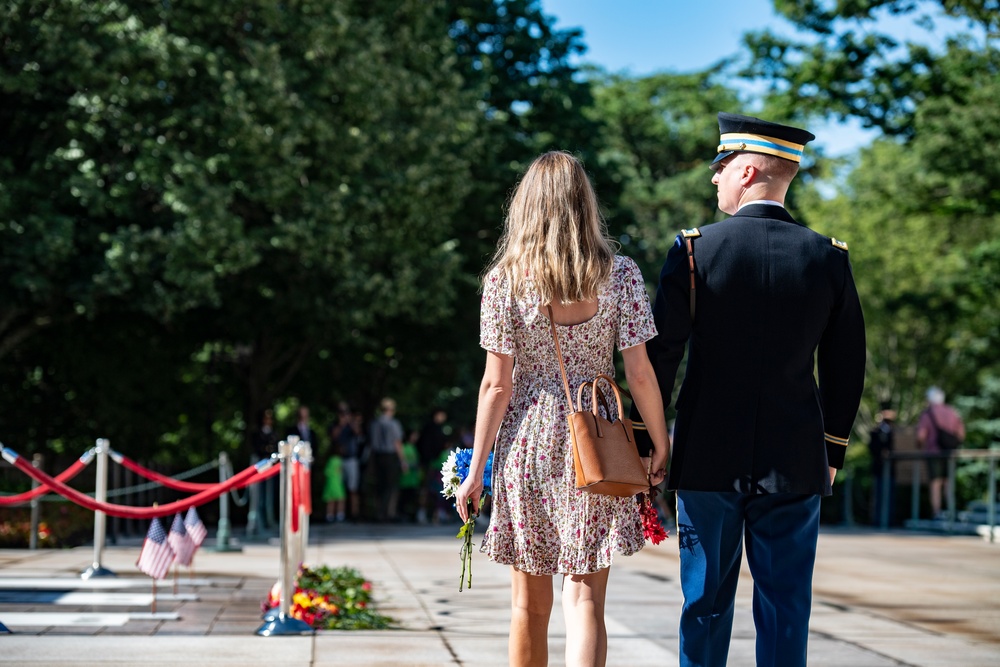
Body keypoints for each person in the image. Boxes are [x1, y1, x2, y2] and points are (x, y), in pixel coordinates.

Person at [633, 113, 866, 667]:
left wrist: (648, 443)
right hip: (796, 459)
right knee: (786, 605)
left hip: (708, 458)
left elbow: (659, 356)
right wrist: (831, 450)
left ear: (747, 170)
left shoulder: (695, 251)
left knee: (705, 604)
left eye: (720, 168)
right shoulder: (827, 258)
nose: (714, 179)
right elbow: (847, 363)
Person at [455, 151, 670, 667]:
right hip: (595, 441)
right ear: (585, 203)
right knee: (587, 599)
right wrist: (659, 441)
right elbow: (639, 372)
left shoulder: (505, 280)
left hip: (527, 440)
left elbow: (495, 384)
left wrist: (477, 470)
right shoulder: (621, 274)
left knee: (528, 606)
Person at [917, 386, 965, 519]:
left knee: (935, 483)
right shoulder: (952, 412)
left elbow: (921, 436)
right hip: (950, 453)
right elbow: (961, 434)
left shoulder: (927, 414)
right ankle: (950, 510)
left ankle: (937, 512)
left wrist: (920, 446)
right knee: (948, 483)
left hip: (933, 453)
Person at [369, 397, 408, 523]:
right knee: (391, 486)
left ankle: (378, 512)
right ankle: (389, 513)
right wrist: (403, 460)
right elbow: (397, 443)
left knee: (379, 485)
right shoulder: (393, 424)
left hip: (377, 456)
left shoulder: (374, 423)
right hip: (390, 456)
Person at [328, 402, 364, 521]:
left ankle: (354, 514)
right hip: (338, 460)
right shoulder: (335, 425)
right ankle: (336, 514)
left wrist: (350, 422)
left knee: (353, 488)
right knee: (338, 489)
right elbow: (333, 436)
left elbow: (358, 433)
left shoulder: (352, 425)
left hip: (351, 459)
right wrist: (341, 424)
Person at [415, 408, 449, 524]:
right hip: (430, 463)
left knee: (436, 489)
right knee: (427, 488)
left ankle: (434, 513)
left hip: (435, 463)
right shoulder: (431, 429)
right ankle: (423, 512)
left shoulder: (436, 428)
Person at [868, 405, 897, 527]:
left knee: (890, 496)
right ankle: (878, 520)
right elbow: (872, 447)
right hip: (879, 468)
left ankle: (889, 520)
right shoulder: (876, 431)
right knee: (879, 495)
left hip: (890, 470)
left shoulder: (893, 430)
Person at [322, 438, 346, 523]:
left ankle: (330, 515)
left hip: (330, 482)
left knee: (330, 500)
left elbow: (326, 472)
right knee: (340, 499)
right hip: (338, 482)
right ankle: (340, 515)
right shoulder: (339, 461)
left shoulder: (330, 460)